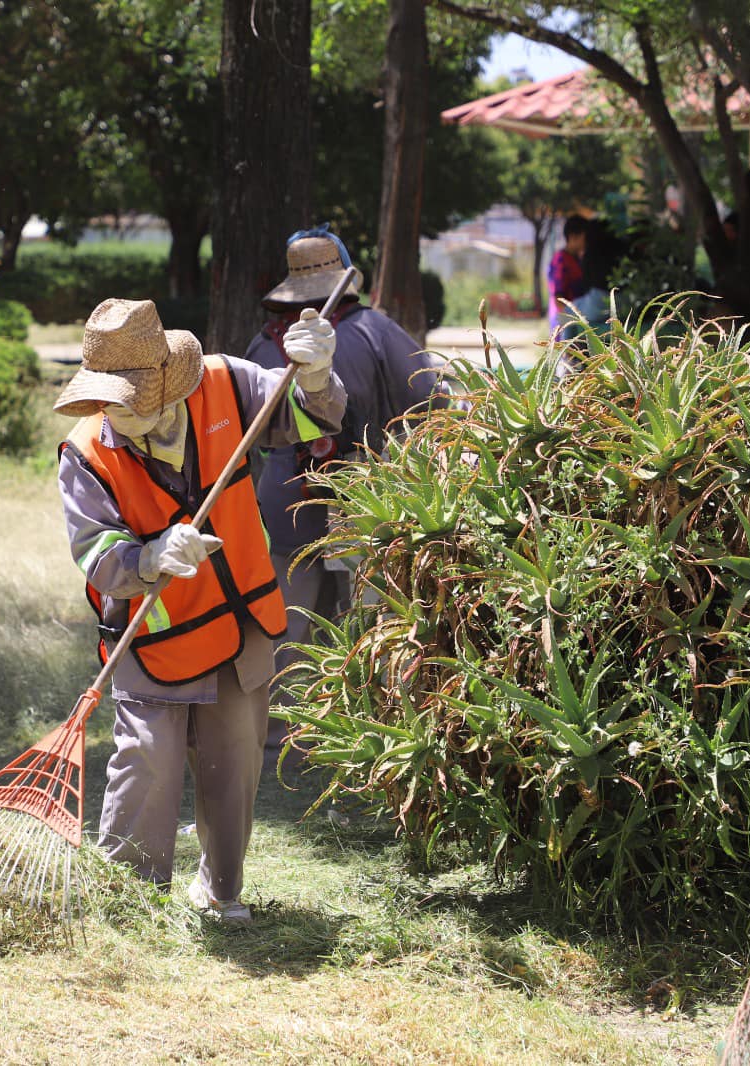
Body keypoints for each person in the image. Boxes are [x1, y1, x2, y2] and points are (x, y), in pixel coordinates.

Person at [55, 297, 344, 923]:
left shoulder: (227, 384)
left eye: (126, 399)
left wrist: (317, 374)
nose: (113, 413)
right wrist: (152, 555)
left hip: (240, 621)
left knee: (235, 757)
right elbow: (97, 555)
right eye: (106, 399)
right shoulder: (85, 454)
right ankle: (129, 903)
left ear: (167, 386)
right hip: (154, 637)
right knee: (147, 764)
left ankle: (219, 889)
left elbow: (309, 415)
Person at [242, 228, 446, 768]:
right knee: (366, 624)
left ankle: (278, 739)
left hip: (286, 502)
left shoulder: (268, 341)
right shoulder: (373, 330)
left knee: (290, 623)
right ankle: (365, 735)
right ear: (347, 273)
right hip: (366, 500)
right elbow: (430, 399)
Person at [547, 216, 592, 333]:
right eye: (585, 237)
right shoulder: (561, 260)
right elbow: (558, 296)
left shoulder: (579, 259)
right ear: (573, 236)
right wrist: (567, 326)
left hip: (578, 319)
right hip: (567, 323)